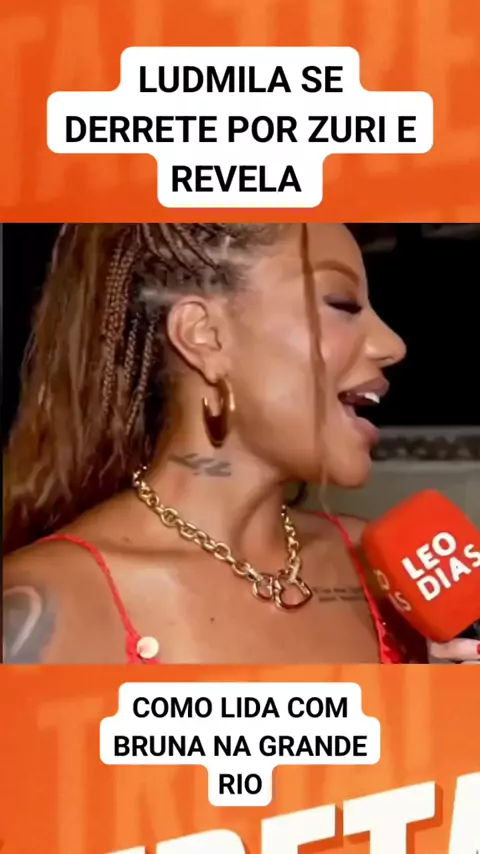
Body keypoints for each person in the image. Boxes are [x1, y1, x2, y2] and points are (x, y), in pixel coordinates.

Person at [3, 222, 478, 665]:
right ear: (205, 335)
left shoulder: (384, 574)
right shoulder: (51, 605)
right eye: (342, 304)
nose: (392, 344)